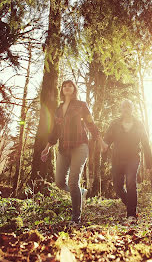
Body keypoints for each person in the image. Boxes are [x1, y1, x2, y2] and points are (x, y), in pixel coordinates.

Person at [41, 80, 104, 224]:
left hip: (80, 146)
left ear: (74, 89)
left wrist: (100, 140)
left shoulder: (81, 105)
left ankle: (76, 218)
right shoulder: (59, 109)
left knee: (73, 181)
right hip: (63, 149)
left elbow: (90, 123)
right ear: (62, 90)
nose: (67, 87)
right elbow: (55, 131)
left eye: (70, 86)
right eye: (64, 86)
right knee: (59, 182)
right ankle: (81, 193)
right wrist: (47, 148)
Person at [101, 99, 152, 222]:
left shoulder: (139, 124)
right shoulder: (115, 124)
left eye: (129, 107)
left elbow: (146, 144)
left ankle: (131, 215)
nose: (126, 109)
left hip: (133, 158)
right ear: (121, 109)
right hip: (117, 158)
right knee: (118, 188)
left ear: (132, 109)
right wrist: (101, 146)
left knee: (131, 182)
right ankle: (131, 205)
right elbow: (107, 141)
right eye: (124, 107)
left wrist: (149, 164)